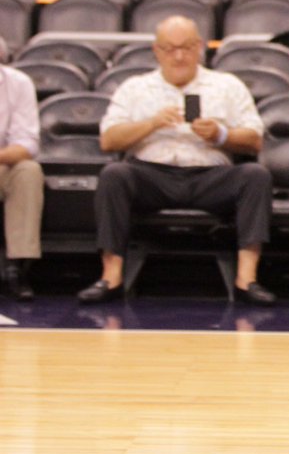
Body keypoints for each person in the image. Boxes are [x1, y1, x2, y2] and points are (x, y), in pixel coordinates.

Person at [77, 16, 276, 306]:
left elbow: (255, 139)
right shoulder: (135, 87)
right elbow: (109, 139)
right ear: (157, 51)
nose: (179, 56)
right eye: (170, 49)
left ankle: (247, 279)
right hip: (150, 176)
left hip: (210, 176)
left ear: (200, 47)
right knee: (114, 174)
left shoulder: (227, 85)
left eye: (186, 47)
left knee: (256, 175)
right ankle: (111, 276)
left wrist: (220, 134)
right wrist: (152, 124)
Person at [0, 36, 43, 300]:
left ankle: (17, 267)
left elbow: (27, 143)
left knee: (28, 171)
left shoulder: (18, 83)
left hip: (3, 162)